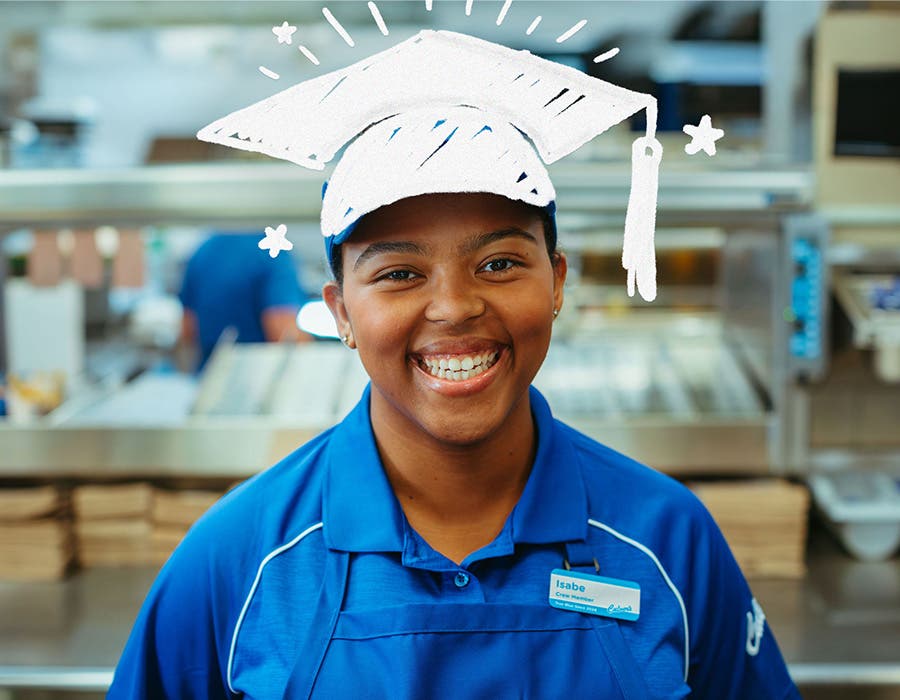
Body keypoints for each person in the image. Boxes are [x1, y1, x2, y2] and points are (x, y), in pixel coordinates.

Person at [109, 31, 800, 698]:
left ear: (557, 282)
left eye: (498, 263)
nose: (454, 307)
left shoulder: (666, 540)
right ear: (341, 311)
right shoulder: (237, 562)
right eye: (401, 273)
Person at [178, 232, 310, 371]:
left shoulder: (203, 251)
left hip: (209, 377)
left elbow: (187, 329)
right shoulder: (273, 252)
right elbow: (283, 332)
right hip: (256, 378)